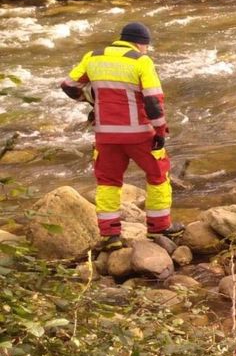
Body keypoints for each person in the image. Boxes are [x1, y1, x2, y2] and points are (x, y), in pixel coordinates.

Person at [61, 22, 181, 248]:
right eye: (146, 46)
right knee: (158, 174)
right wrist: (160, 130)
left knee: (107, 181)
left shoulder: (93, 56)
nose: (146, 50)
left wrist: (90, 101)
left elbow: (68, 85)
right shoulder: (141, 61)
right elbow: (153, 101)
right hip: (139, 134)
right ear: (140, 43)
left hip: (105, 135)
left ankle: (110, 235)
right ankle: (159, 228)